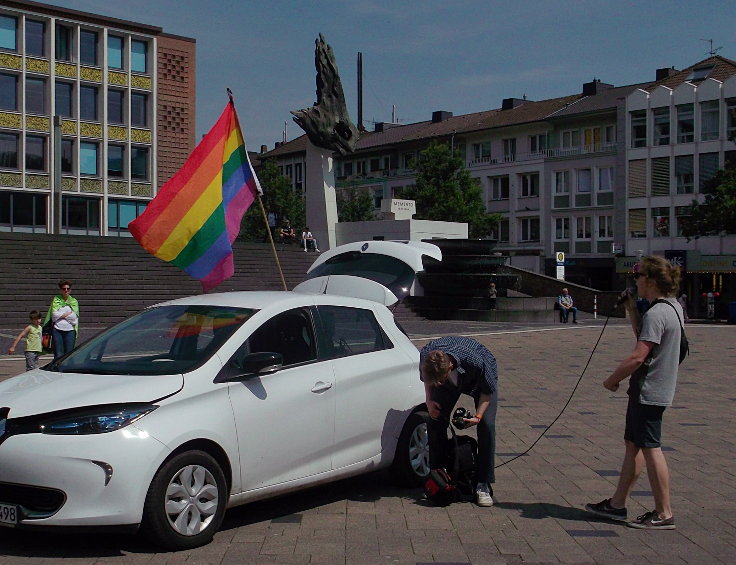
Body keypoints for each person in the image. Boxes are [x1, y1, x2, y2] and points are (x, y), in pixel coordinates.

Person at [585, 255, 683, 530]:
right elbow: (645, 336)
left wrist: (612, 379)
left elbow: (639, 356)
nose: (635, 282)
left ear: (650, 281)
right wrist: (631, 308)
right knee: (634, 445)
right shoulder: (671, 308)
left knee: (651, 447)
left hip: (648, 389)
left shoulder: (657, 313)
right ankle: (617, 504)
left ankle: (664, 513)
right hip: (658, 387)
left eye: (638, 278)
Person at [420, 336, 498, 507]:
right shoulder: (427, 355)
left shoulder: (477, 361)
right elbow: (428, 380)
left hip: (477, 381)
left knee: (487, 425)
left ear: (449, 367)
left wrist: (477, 417)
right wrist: (429, 402)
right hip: (449, 376)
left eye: (441, 380)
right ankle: (438, 475)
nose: (438, 384)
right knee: (435, 417)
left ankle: (483, 484)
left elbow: (487, 393)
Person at [44, 280, 79, 360]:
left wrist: (60, 315)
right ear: (60, 290)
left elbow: (74, 319)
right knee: (58, 354)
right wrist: (67, 314)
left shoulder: (74, 301)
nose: (66, 290)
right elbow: (54, 316)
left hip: (70, 331)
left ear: (70, 290)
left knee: (69, 354)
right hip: (57, 330)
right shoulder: (56, 300)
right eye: (64, 289)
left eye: (68, 288)